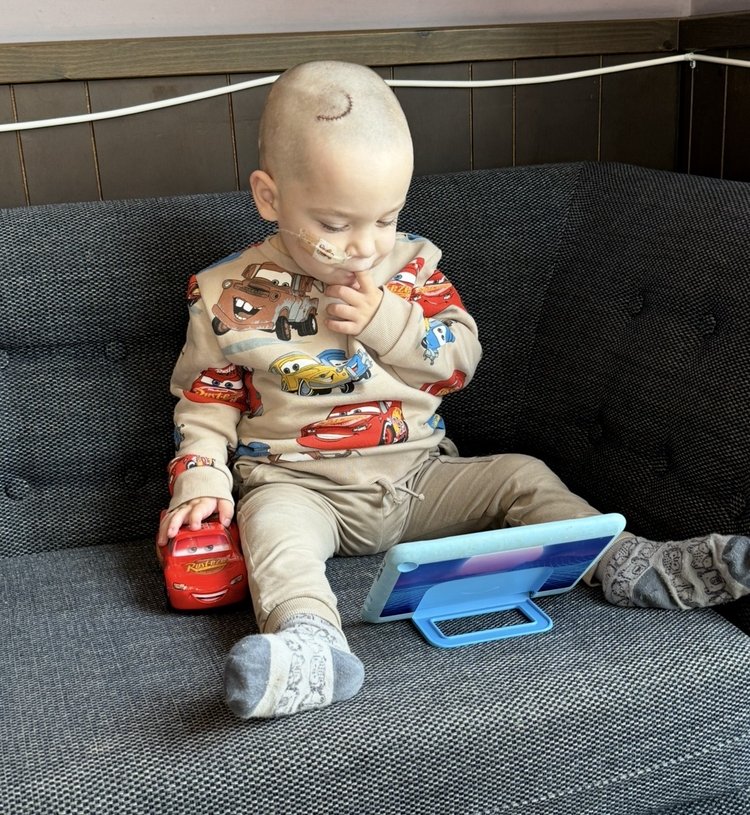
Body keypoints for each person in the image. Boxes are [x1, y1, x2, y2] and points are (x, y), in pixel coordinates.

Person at [158, 60, 750, 719]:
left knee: (522, 476)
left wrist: (390, 321)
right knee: (269, 528)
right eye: (333, 224)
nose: (361, 247)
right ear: (270, 197)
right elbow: (206, 402)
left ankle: (625, 561)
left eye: (383, 218)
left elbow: (459, 363)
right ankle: (310, 641)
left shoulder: (412, 268)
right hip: (301, 487)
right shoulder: (226, 293)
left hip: (418, 479)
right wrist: (201, 481)